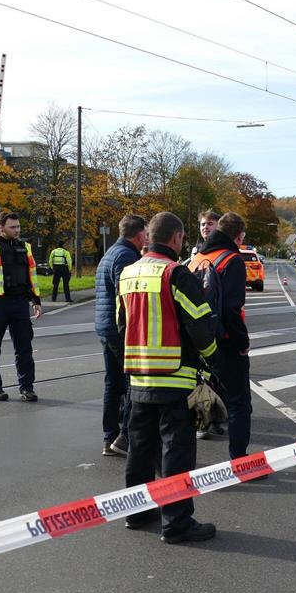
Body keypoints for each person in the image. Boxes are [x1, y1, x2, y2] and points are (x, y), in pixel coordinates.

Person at [118, 212, 219, 543]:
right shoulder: (177, 274)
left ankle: (136, 511)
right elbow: (201, 328)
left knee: (140, 449)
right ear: (176, 238)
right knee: (175, 452)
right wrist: (212, 359)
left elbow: (122, 325)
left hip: (138, 379)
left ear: (148, 237)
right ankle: (176, 523)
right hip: (175, 378)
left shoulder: (128, 273)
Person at [187, 212, 252, 457]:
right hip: (224, 343)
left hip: (197, 342)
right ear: (238, 236)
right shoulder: (232, 260)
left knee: (196, 396)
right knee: (239, 403)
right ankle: (239, 460)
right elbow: (232, 310)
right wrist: (241, 343)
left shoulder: (198, 258)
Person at [95, 214, 147, 457]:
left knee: (112, 383)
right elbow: (126, 296)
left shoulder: (110, 253)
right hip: (118, 330)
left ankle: (109, 437)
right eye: (145, 234)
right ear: (138, 235)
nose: (147, 238)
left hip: (105, 326)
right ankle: (124, 437)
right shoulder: (126, 256)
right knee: (130, 383)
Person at [0, 211, 42, 402]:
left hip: (19, 303)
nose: (17, 230)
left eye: (18, 226)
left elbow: (32, 275)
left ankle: (27, 388)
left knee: (24, 348)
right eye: (12, 227)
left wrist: (36, 300)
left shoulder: (25, 247)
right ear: (1, 228)